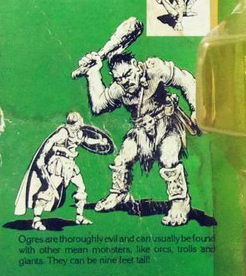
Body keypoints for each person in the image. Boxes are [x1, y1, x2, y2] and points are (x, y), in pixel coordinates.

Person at [78, 50, 198, 226]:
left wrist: (196, 108)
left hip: (168, 126)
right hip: (142, 131)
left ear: (135, 65)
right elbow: (97, 105)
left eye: (128, 74)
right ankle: (120, 194)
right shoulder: (120, 88)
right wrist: (93, 73)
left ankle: (180, 201)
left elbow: (186, 81)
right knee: (123, 157)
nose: (125, 81)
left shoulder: (155, 69)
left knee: (169, 156)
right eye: (119, 79)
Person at [15, 112, 113, 230]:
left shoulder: (78, 133)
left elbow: (86, 140)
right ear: (73, 123)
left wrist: (99, 142)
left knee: (81, 188)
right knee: (48, 191)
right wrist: (42, 156)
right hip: (59, 164)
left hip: (71, 165)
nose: (81, 123)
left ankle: (79, 217)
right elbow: (50, 142)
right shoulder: (64, 132)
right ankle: (36, 220)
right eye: (79, 122)